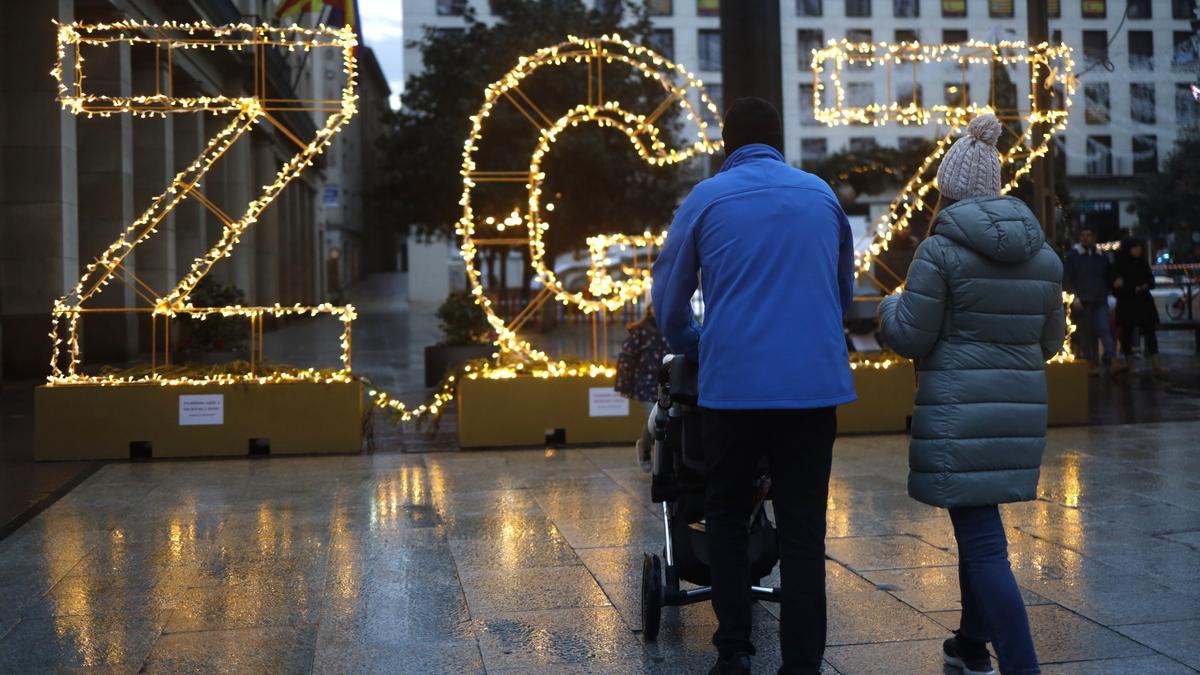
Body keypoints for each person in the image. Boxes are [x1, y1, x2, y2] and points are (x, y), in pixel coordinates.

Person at [652, 97, 857, 675]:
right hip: (813, 389)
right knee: (802, 525)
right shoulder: (821, 195)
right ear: (779, 138)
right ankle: (802, 663)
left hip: (734, 388)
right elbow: (841, 295)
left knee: (725, 511)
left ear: (726, 142)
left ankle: (735, 651)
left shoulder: (707, 198)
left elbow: (668, 300)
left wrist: (697, 343)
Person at [878, 114, 1065, 675]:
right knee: (977, 524)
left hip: (961, 412)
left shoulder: (938, 253)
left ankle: (1021, 666)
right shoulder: (1045, 257)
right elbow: (1051, 343)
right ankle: (970, 643)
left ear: (950, 190)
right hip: (1016, 414)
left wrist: (890, 306)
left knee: (983, 544)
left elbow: (910, 333)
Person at [614, 305, 669, 470]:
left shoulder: (670, 328)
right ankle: (645, 449)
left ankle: (660, 458)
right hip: (644, 384)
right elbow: (627, 358)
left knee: (663, 420)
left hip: (664, 383)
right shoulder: (640, 331)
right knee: (654, 418)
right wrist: (624, 384)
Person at [1064, 225, 1116, 374]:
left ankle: (1111, 358)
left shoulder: (1100, 256)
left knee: (1104, 328)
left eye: (1088, 235)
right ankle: (1089, 362)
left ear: (1093, 237)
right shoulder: (1074, 256)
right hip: (1083, 300)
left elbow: (1108, 276)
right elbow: (1068, 279)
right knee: (1085, 332)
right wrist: (1075, 298)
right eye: (1083, 235)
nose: (1085, 238)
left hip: (1099, 298)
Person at [1111, 237, 1164, 376]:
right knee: (1127, 334)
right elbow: (1116, 286)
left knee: (1150, 332)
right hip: (1128, 303)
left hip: (1144, 303)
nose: (1138, 250)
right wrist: (1133, 288)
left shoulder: (1142, 262)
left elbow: (1151, 281)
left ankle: (1156, 364)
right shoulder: (1120, 264)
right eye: (1135, 247)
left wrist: (1143, 286)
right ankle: (1129, 364)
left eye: (1139, 247)